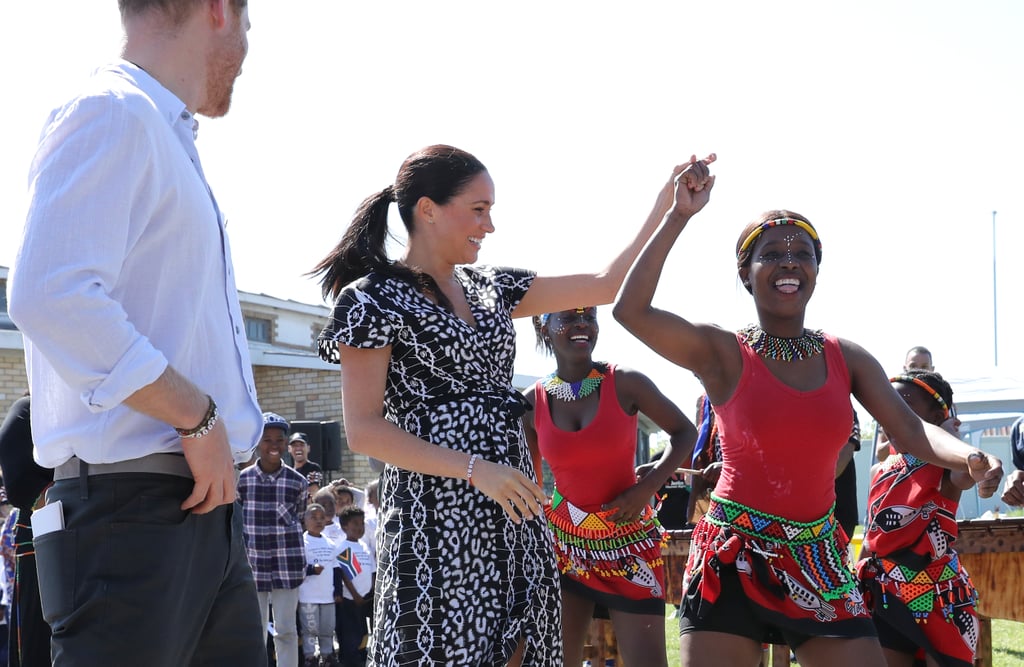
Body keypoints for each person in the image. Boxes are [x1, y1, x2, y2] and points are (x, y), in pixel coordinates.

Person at [611, 158, 1003, 667]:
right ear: (746, 276)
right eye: (771, 254)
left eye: (804, 255)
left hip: (817, 560)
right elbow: (630, 311)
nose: (789, 262)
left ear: (818, 270)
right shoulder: (722, 353)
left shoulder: (847, 357)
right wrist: (678, 216)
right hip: (733, 555)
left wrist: (970, 455)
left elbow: (911, 429)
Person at [313, 144, 693, 665]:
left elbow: (606, 285)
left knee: (521, 648)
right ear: (427, 209)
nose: (489, 225)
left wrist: (669, 209)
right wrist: (474, 471)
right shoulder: (370, 299)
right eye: (478, 209)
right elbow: (364, 431)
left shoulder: (495, 285)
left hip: (513, 508)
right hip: (436, 516)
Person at [5, 2, 265, 664]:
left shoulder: (152, 129)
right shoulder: (113, 110)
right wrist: (198, 417)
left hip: (183, 511)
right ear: (216, 10)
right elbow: (50, 292)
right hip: (133, 513)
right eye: (249, 22)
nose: (249, 44)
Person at [521, 306, 697, 667]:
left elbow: (685, 433)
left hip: (629, 545)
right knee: (556, 660)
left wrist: (646, 488)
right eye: (568, 317)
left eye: (589, 316)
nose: (582, 324)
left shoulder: (626, 382)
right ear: (545, 326)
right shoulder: (531, 402)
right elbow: (530, 480)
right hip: (565, 549)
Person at [857, 371, 980, 667]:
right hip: (886, 593)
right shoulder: (880, 469)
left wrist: (950, 436)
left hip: (939, 597)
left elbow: (966, 474)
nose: (892, 412)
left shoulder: (947, 466)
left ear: (937, 416)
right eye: (887, 404)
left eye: (903, 404)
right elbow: (873, 530)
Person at [238, 412, 309, 667]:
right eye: (267, 440)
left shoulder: (297, 482)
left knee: (286, 630)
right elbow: (236, 525)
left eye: (279, 440)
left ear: (286, 443)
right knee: (254, 631)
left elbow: (301, 519)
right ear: (257, 442)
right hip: (252, 568)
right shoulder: (242, 481)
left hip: (286, 566)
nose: (274, 446)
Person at [0, 395, 53, 667]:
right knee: (39, 638)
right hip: (39, 543)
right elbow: (19, 483)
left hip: (89, 537)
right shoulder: (29, 408)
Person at [298, 504, 342, 667]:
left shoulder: (330, 543)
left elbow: (336, 569)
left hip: (327, 596)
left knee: (327, 629)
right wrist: (310, 570)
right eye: (313, 517)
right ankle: (310, 657)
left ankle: (327, 655)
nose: (318, 521)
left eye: (321, 517)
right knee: (310, 629)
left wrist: (338, 590)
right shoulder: (302, 541)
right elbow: (297, 566)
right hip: (308, 596)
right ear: (305, 519)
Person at [335, 505, 376, 667]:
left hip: (365, 599)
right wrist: (356, 595)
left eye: (362, 523)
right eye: (355, 523)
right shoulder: (343, 548)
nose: (360, 527)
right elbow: (345, 575)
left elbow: (372, 571)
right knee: (349, 637)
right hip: (350, 600)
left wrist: (371, 592)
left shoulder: (365, 547)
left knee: (362, 634)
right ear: (345, 526)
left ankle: (360, 659)